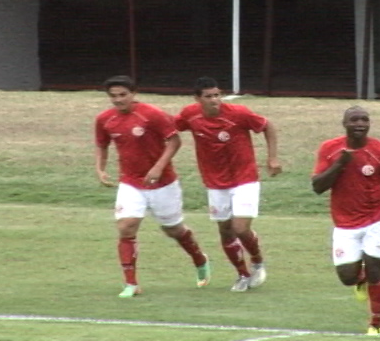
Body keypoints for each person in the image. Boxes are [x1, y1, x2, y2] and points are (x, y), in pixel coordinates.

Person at [94, 75, 211, 298]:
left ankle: (199, 259)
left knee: (174, 230)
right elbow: (101, 144)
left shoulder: (152, 115)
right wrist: (100, 169)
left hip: (163, 183)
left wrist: (158, 167)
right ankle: (131, 283)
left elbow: (174, 141)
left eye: (123, 95)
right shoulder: (105, 119)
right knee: (126, 227)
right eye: (113, 96)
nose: (118, 100)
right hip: (130, 182)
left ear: (134, 94)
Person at [310, 105, 380, 336]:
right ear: (344, 124)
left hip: (378, 219)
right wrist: (340, 164)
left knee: (376, 271)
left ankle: (376, 323)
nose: (360, 124)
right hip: (345, 222)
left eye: (364, 120)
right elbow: (318, 187)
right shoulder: (329, 149)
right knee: (346, 277)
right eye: (355, 120)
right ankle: (360, 280)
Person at [175, 76, 282, 292]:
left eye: (217, 95)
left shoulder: (239, 114)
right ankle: (242, 274)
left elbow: (267, 126)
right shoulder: (190, 115)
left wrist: (272, 158)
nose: (215, 100)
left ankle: (257, 260)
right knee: (225, 230)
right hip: (215, 183)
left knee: (240, 228)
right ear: (198, 99)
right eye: (209, 97)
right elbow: (170, 127)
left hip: (245, 178)